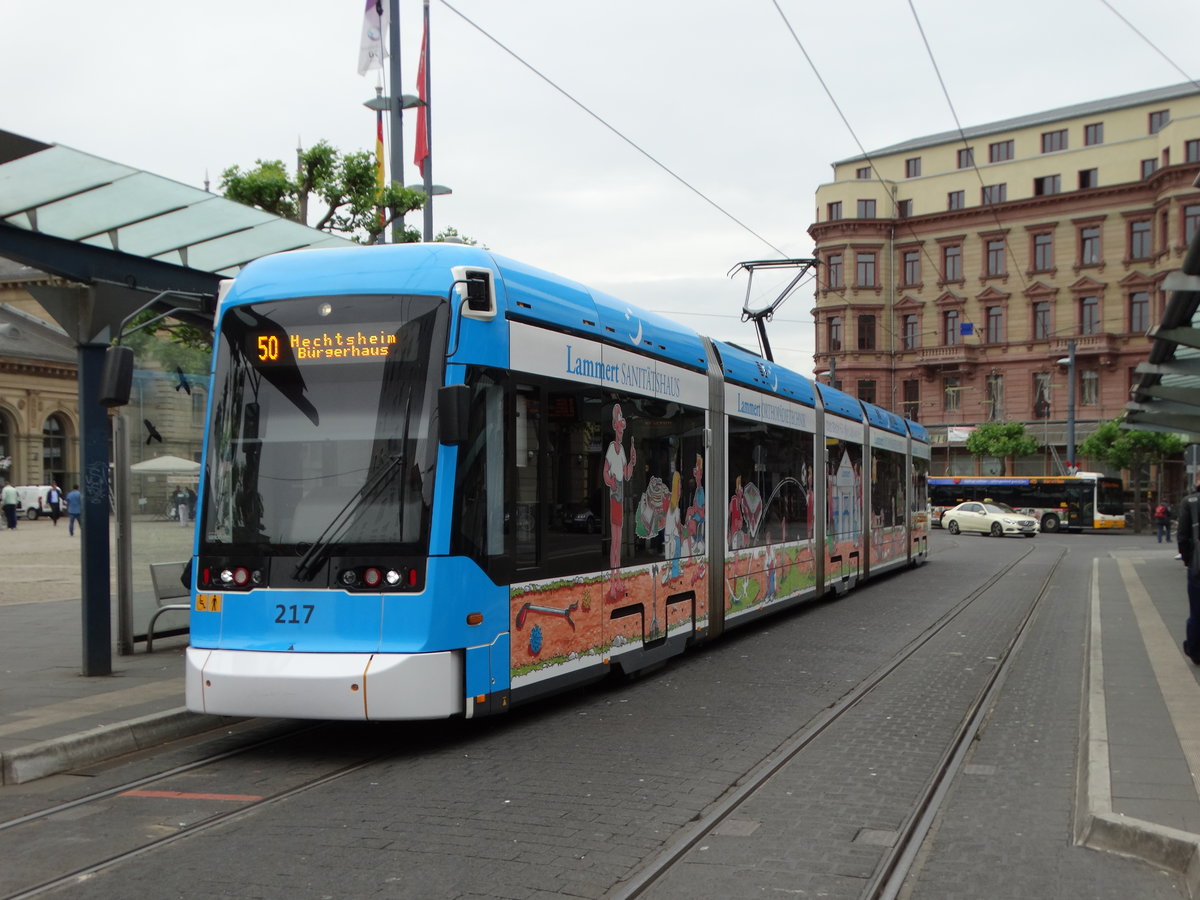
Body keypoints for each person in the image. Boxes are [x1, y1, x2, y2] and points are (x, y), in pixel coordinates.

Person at [1178, 476, 1200, 664]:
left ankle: (1195, 651)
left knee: (1197, 612)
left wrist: (1188, 560)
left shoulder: (1190, 502)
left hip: (1198, 565)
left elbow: (1182, 537)